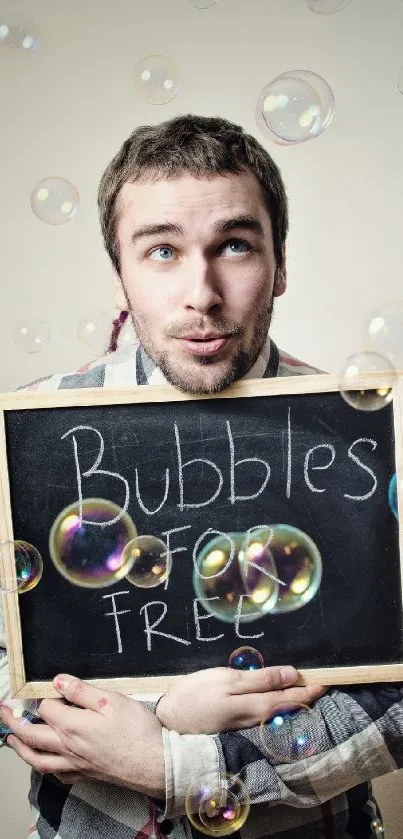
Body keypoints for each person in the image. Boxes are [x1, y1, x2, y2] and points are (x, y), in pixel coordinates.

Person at [0, 114, 401, 839]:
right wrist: (160, 716)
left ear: (280, 264)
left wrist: (175, 762)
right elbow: (8, 670)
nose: (201, 292)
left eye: (235, 245)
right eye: (161, 250)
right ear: (119, 272)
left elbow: (395, 700)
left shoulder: (369, 439)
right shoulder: (30, 433)